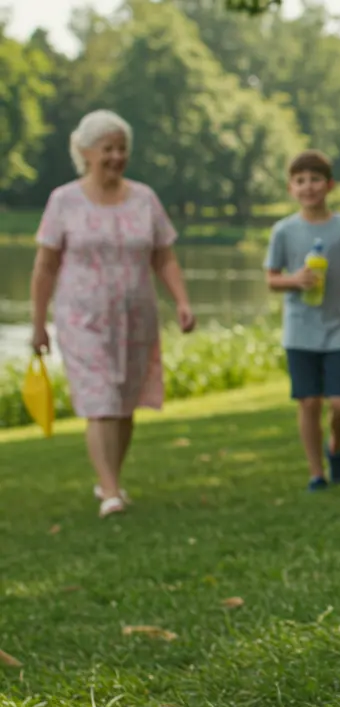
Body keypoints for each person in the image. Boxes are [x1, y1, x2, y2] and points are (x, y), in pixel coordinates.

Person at [28, 109, 197, 519]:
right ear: (86, 152)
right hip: (81, 318)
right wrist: (37, 324)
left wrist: (182, 300)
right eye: (108, 148)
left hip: (136, 316)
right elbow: (45, 266)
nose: (117, 156)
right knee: (100, 399)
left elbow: (164, 257)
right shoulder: (63, 201)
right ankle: (109, 491)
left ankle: (111, 480)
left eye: (122, 148)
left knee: (124, 402)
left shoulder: (144, 198)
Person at [264, 150, 340, 491]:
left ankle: (336, 446)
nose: (308, 187)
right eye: (300, 181)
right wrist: (294, 281)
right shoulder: (283, 231)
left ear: (329, 185)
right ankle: (316, 473)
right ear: (290, 188)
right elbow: (271, 279)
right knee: (309, 402)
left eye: (315, 180)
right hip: (300, 330)